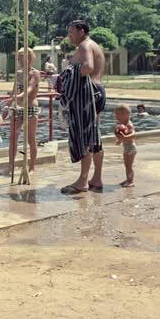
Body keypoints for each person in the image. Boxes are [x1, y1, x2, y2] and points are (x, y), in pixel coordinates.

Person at [59, 20, 106, 194]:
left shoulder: (85, 46)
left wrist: (68, 72)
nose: (70, 36)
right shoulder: (92, 45)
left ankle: (82, 181)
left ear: (82, 31)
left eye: (72, 33)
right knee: (95, 137)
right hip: (97, 92)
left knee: (86, 137)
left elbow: (88, 67)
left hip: (89, 95)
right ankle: (97, 178)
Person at [6, 47, 41, 172]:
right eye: (18, 57)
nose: (19, 59)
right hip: (18, 108)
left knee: (31, 139)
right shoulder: (19, 73)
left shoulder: (35, 73)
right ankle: (10, 166)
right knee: (12, 137)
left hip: (30, 108)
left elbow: (29, 90)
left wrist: (16, 96)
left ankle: (31, 167)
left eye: (22, 57)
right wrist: (7, 107)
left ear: (30, 58)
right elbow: (14, 91)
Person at [113, 103, 137, 187]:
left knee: (129, 166)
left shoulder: (129, 124)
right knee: (126, 165)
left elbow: (134, 135)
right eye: (116, 114)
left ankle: (131, 181)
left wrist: (124, 137)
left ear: (126, 115)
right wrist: (120, 140)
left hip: (131, 148)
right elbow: (124, 138)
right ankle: (128, 179)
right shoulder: (122, 125)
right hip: (127, 148)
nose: (116, 117)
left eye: (118, 115)